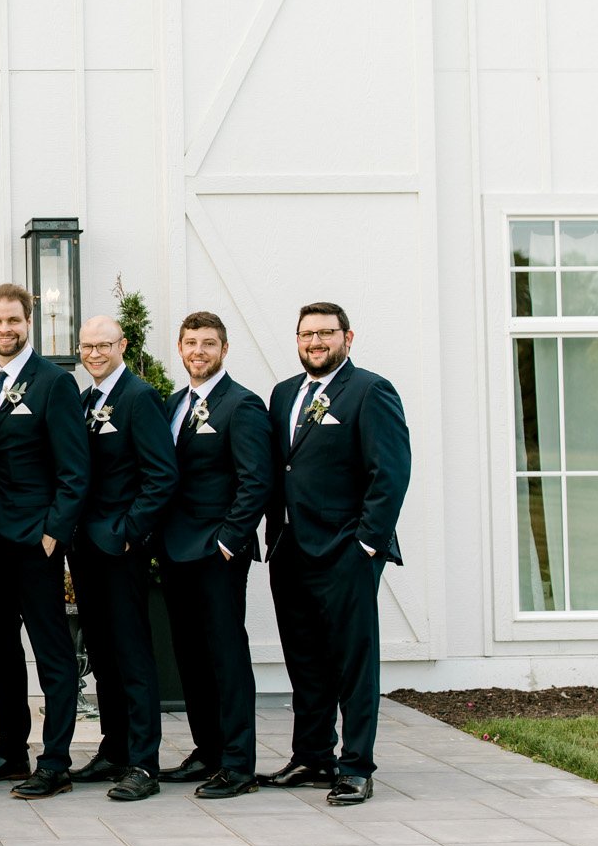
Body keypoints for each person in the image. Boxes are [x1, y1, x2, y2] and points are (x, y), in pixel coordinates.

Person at [262, 303, 412, 807]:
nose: (315, 341)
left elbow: (389, 474)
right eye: (307, 333)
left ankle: (355, 766)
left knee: (353, 662)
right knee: (305, 660)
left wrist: (366, 543)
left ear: (348, 337)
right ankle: (311, 755)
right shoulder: (284, 394)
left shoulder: (371, 391)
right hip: (291, 550)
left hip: (346, 549)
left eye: (326, 333)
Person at [0, 283, 90, 799]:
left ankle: (55, 760)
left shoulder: (54, 383)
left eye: (13, 320)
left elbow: (74, 468)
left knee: (52, 652)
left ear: (29, 322)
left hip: (34, 540)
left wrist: (53, 533)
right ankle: (10, 750)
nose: (4, 329)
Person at [156, 311, 271, 800]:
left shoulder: (241, 405)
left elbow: (256, 481)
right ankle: (207, 749)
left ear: (224, 349)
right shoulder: (173, 404)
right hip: (176, 550)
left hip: (217, 552)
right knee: (191, 655)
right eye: (189, 343)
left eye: (208, 343)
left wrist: (229, 541)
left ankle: (238, 763)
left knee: (226, 655)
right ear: (179, 350)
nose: (198, 351)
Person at [69, 315, 178, 803]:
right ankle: (113, 748)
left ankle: (143, 761)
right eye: (87, 346)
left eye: (103, 345)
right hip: (86, 550)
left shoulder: (138, 396)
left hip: (120, 549)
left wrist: (130, 532)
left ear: (123, 345)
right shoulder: (86, 399)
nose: (94, 354)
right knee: (104, 655)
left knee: (132, 655)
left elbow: (161, 476)